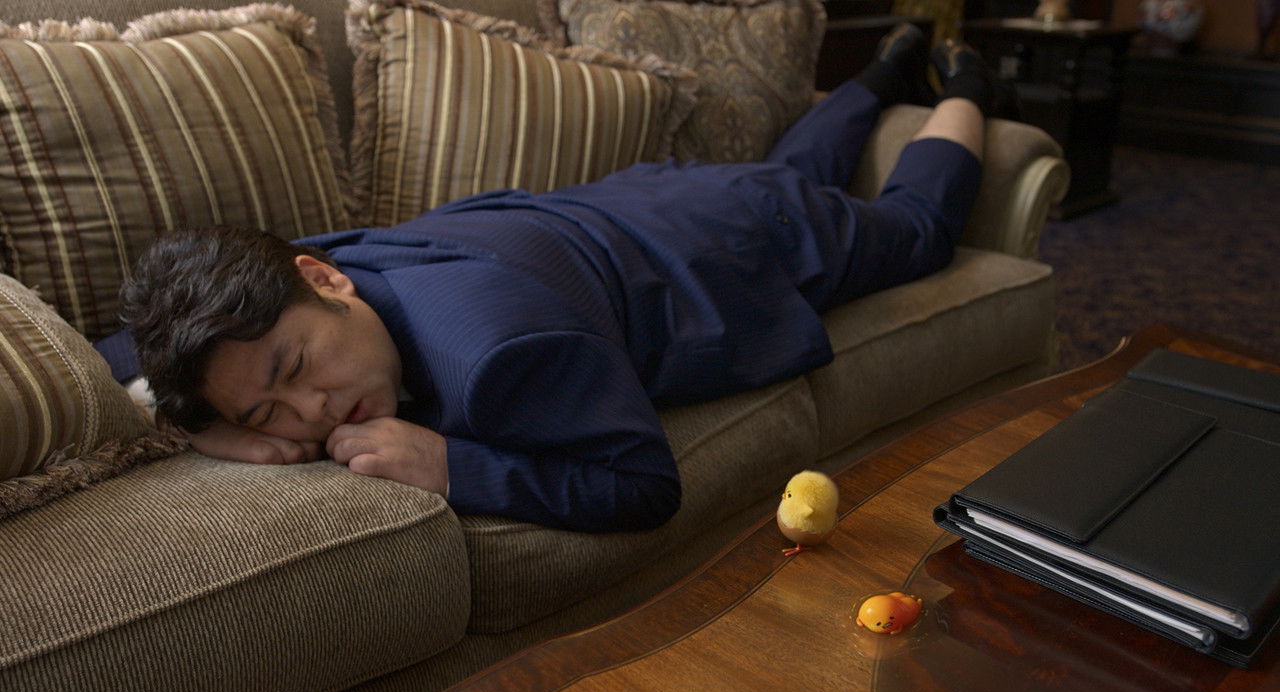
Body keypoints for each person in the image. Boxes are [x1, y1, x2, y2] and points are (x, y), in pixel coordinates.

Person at [118, 27, 1012, 532]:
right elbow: (113, 351)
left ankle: (968, 85)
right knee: (783, 172)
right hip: (642, 199)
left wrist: (453, 465)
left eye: (293, 370)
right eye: (267, 413)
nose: (309, 413)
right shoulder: (283, 279)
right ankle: (884, 70)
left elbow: (646, 486)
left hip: (746, 239)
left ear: (325, 281)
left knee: (915, 232)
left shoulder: (497, 354)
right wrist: (217, 429)